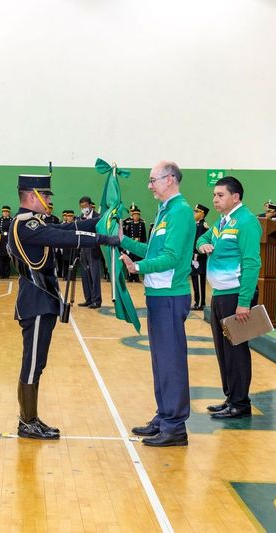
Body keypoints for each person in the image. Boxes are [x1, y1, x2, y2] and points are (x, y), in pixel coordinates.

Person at [8, 174, 119, 439]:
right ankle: (26, 422)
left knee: (38, 363)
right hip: (35, 303)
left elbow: (67, 229)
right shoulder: (25, 224)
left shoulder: (35, 223)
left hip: (43, 302)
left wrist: (101, 220)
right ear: (32, 196)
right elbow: (63, 237)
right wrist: (103, 239)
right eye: (45, 195)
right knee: (32, 363)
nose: (48, 200)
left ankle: (31, 418)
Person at [119, 161, 195, 447]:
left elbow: (172, 258)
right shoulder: (165, 211)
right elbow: (152, 250)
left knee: (171, 362)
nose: (149, 185)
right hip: (158, 295)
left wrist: (137, 267)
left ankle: (175, 425)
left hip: (170, 296)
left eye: (153, 180)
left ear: (170, 179)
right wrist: (123, 240)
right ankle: (164, 417)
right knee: (161, 361)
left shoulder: (180, 212)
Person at [196, 176, 261, 419]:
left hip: (235, 296)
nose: (215, 199)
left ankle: (241, 403)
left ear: (235, 197)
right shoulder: (223, 221)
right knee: (223, 351)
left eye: (220, 195)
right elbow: (204, 237)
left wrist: (244, 302)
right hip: (220, 295)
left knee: (236, 351)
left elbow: (252, 263)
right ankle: (230, 397)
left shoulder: (246, 221)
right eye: (214, 195)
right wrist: (202, 245)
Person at [78, 196, 102, 308]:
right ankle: (88, 299)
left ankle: (96, 300)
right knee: (85, 274)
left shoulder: (98, 217)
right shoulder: (80, 218)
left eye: (85, 206)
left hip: (94, 249)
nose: (84, 208)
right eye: (81, 207)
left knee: (94, 275)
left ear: (90, 205)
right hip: (83, 248)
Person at [190, 204, 210, 309]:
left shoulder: (203, 226)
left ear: (202, 214)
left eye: (196, 212)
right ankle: (197, 301)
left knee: (199, 280)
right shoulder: (196, 225)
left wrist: (196, 256)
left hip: (199, 258)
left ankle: (200, 303)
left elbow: (200, 242)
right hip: (193, 257)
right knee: (195, 280)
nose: (194, 213)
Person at [121, 204, 146, 283]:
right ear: (132, 216)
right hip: (132, 245)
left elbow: (144, 235)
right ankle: (130, 277)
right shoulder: (130, 224)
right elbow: (127, 235)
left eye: (137, 215)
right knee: (131, 260)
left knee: (137, 260)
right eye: (134, 215)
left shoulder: (142, 224)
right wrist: (127, 246)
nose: (136, 216)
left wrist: (142, 243)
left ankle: (136, 277)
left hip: (138, 245)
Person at [0, 206, 13, 278]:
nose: (5, 213)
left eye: (7, 212)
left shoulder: (12, 220)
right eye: (4, 212)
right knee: (1, 258)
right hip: (1, 240)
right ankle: (1, 274)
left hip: (9, 240)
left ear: (9, 213)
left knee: (8, 258)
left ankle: (7, 274)